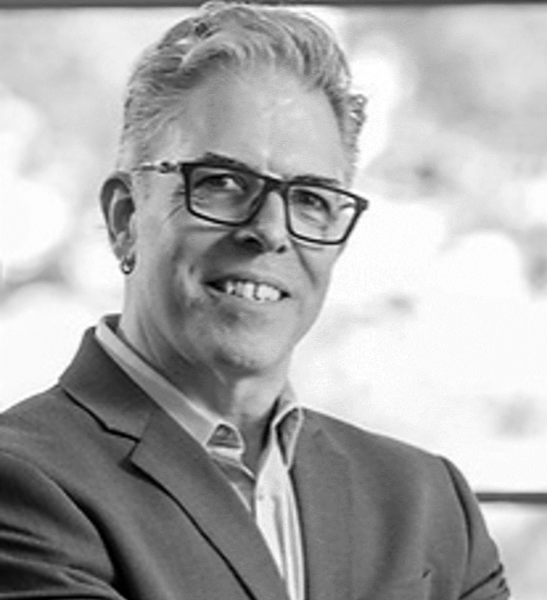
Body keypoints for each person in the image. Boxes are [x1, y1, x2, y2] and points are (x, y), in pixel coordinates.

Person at [0, 2, 509, 599]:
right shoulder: (21, 480)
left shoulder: (427, 501)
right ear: (125, 218)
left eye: (310, 198)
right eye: (220, 184)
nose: (269, 231)